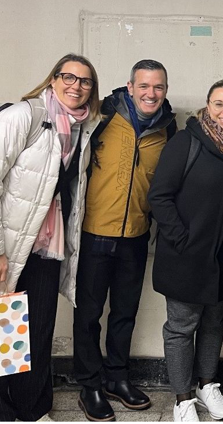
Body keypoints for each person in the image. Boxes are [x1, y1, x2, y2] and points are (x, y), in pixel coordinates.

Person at [0, 54, 101, 422]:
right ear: (53, 79)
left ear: (93, 90)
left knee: (36, 334)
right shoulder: (22, 116)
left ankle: (33, 410)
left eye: (85, 81)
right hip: (4, 250)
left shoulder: (80, 130)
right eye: (68, 77)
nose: (76, 85)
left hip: (43, 250)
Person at [73, 59, 176, 422]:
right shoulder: (100, 116)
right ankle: (89, 385)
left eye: (159, 87)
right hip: (93, 233)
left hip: (135, 234)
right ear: (129, 87)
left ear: (165, 90)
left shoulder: (168, 127)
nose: (152, 93)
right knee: (87, 314)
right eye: (144, 86)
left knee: (124, 313)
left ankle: (117, 378)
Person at [148, 80, 223, 423]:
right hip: (186, 255)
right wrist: (181, 239)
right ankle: (182, 399)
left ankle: (207, 385)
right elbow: (159, 196)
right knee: (181, 327)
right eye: (220, 104)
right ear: (208, 105)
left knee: (213, 323)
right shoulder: (186, 142)